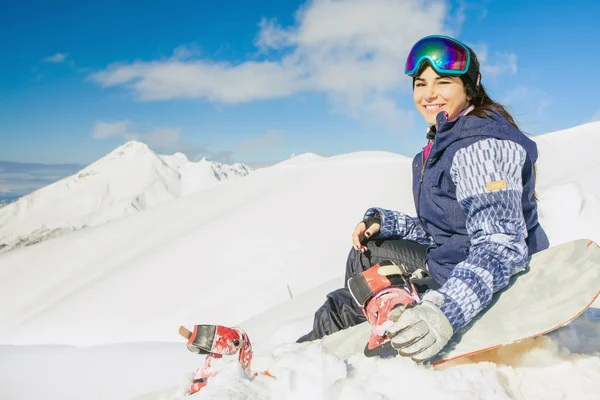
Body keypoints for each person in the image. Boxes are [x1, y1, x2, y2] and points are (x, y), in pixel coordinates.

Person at [297, 35, 549, 362]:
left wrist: (444, 311)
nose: (429, 93)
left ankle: (301, 366)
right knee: (365, 254)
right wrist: (385, 222)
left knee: (340, 310)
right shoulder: (443, 143)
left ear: (470, 86)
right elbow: (446, 227)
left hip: (472, 277)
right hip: (450, 260)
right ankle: (362, 323)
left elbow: (500, 245)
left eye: (443, 82)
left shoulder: (481, 147)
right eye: (420, 83)